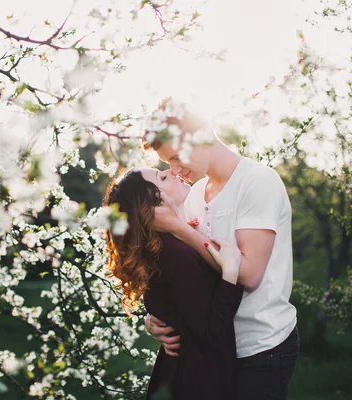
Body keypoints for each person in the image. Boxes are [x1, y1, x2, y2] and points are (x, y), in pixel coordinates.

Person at [142, 99, 299, 400]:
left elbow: (250, 274)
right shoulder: (196, 193)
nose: (174, 170)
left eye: (176, 157)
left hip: (261, 348)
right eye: (167, 164)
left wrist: (180, 228)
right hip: (213, 347)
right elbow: (187, 272)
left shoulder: (257, 183)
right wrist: (156, 316)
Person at [104, 168, 243, 400]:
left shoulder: (165, 246)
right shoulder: (173, 255)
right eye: (163, 177)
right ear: (154, 204)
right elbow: (212, 333)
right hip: (198, 384)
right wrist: (230, 273)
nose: (172, 171)